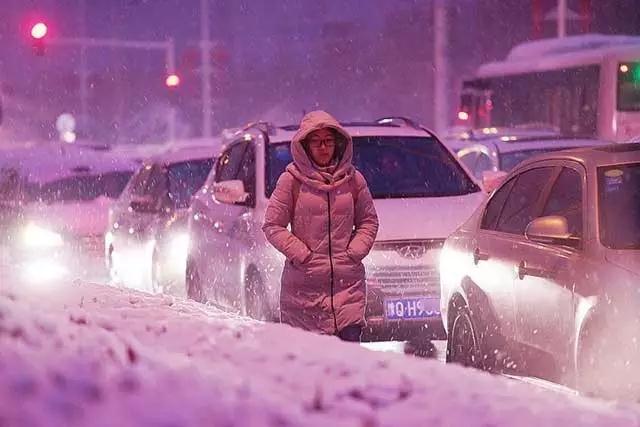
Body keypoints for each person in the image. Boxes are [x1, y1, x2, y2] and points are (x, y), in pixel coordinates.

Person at [262, 110, 378, 342]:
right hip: (304, 291)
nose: (323, 148)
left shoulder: (354, 180)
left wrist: (354, 252)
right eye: (316, 142)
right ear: (304, 146)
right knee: (313, 368)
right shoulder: (291, 181)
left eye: (328, 141)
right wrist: (302, 255)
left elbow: (368, 221)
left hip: (348, 289)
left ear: (338, 144)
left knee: (349, 365)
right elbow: (273, 225)